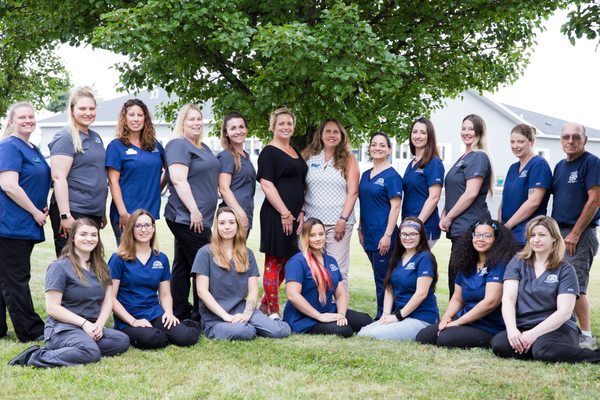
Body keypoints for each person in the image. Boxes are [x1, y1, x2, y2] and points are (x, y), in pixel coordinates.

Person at [9, 218, 130, 367]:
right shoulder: (60, 267)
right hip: (63, 328)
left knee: (121, 341)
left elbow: (108, 299)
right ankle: (34, 356)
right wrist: (84, 324)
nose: (89, 239)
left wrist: (99, 324)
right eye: (83, 234)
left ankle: (77, 348)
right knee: (91, 352)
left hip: (90, 327)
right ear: (73, 237)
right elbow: (53, 308)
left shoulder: (101, 266)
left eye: (94, 235)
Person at [490, 216, 600, 363]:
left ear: (554, 238)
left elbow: (564, 312)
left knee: (543, 350)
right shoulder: (517, 262)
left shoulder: (566, 269)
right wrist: (512, 330)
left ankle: (594, 356)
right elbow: (508, 299)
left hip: (558, 327)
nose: (536, 240)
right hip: (526, 324)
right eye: (532, 235)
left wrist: (532, 335)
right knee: (499, 345)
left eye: (542, 235)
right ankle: (540, 347)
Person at [193, 207, 291, 340]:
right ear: (216, 226)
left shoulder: (247, 253)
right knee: (245, 332)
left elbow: (253, 290)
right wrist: (226, 316)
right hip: (216, 317)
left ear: (237, 225)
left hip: (242, 309)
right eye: (222, 223)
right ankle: (245, 326)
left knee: (280, 331)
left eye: (231, 222)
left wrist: (246, 314)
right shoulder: (204, 253)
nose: (227, 227)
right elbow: (202, 292)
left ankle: (262, 321)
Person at [108, 209, 200, 349]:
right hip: (129, 318)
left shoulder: (160, 258)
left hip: (155, 313)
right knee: (154, 339)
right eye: (138, 226)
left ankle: (187, 325)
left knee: (185, 337)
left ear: (153, 228)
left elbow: (165, 294)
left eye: (147, 225)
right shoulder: (118, 259)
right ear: (131, 229)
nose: (143, 230)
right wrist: (133, 321)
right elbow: (111, 298)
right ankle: (146, 332)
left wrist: (168, 312)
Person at [416, 220, 514, 348]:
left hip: (488, 325)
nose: (480, 239)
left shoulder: (500, 265)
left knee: (445, 339)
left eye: (487, 235)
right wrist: (446, 318)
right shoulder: (467, 264)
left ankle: (488, 339)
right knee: (424, 336)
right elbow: (457, 298)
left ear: (496, 239)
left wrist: (458, 322)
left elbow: (490, 302)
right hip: (466, 319)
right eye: (477, 235)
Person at [164, 103, 220, 321]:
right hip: (187, 217)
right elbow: (177, 179)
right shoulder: (179, 144)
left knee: (182, 265)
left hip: (201, 218)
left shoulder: (203, 147)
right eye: (191, 119)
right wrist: (195, 211)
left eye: (199, 119)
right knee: (204, 264)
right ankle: (202, 314)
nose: (196, 123)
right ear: (182, 123)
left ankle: (179, 309)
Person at [0, 102, 48, 342]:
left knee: (5, 276)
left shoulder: (33, 148)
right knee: (16, 278)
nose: (28, 120)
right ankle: (30, 331)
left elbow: (37, 180)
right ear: (11, 122)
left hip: (26, 223)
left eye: (31, 116)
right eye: (22, 117)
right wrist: (35, 211)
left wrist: (43, 204)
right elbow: (9, 185)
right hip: (11, 225)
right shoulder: (9, 146)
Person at [551, 122, 600, 349]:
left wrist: (575, 233)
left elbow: (595, 200)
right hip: (558, 233)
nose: (570, 141)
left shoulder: (592, 163)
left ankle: (587, 335)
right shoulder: (560, 166)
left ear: (584, 140)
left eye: (575, 137)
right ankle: (565, 329)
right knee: (556, 284)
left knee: (576, 286)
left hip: (579, 234)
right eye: (565, 137)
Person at [256, 107, 308, 317]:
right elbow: (267, 185)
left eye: (289, 123)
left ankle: (264, 304)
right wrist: (285, 212)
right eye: (281, 124)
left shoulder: (294, 151)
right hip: (276, 214)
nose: (286, 127)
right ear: (273, 127)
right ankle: (273, 311)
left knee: (290, 261)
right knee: (274, 260)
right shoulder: (269, 152)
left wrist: (301, 211)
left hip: (295, 216)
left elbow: (301, 184)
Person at [283, 218, 372, 337]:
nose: (318, 238)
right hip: (303, 318)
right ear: (305, 237)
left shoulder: (331, 261)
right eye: (312, 235)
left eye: (321, 234)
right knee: (344, 330)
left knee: (365, 321)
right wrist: (320, 316)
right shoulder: (297, 262)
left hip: (328, 310)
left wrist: (341, 314)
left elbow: (340, 294)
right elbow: (293, 295)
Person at [48, 87, 107, 257]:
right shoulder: (66, 136)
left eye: (91, 108)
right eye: (82, 108)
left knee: (90, 263)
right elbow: (58, 178)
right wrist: (65, 215)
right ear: (72, 110)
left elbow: (96, 173)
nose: (88, 112)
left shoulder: (95, 137)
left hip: (93, 211)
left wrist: (101, 211)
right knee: (70, 263)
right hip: (72, 210)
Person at [358, 217, 439, 340]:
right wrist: (385, 315)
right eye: (404, 234)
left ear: (421, 235)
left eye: (413, 234)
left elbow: (421, 294)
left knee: (374, 335)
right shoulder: (398, 257)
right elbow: (389, 288)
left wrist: (398, 316)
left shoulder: (425, 258)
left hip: (421, 318)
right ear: (399, 236)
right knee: (363, 333)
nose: (408, 238)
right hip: (400, 315)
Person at [302, 118, 359, 287]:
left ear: (342, 136)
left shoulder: (348, 159)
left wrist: (342, 219)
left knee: (337, 269)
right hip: (312, 223)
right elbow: (302, 189)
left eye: (336, 132)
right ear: (320, 135)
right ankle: (318, 309)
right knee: (314, 268)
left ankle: (339, 311)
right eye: (328, 131)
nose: (332, 135)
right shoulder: (309, 157)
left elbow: (353, 192)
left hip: (338, 223)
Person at [440, 114, 493, 297]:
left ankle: (459, 320)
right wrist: (445, 212)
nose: (466, 132)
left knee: (460, 278)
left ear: (479, 131)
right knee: (454, 276)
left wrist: (449, 217)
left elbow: (470, 193)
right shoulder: (464, 156)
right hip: (458, 228)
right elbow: (457, 190)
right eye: (464, 128)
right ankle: (453, 319)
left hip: (470, 227)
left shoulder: (478, 157)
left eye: (471, 128)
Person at [106, 99, 166, 245]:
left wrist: (157, 190)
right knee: (128, 258)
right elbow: (113, 182)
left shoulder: (155, 146)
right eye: (131, 115)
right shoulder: (116, 146)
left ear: (145, 118)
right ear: (124, 118)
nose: (136, 119)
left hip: (149, 213)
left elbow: (170, 170)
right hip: (126, 213)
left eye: (140, 115)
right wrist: (123, 213)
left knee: (146, 256)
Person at [358, 131, 402, 318]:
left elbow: (396, 207)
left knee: (384, 278)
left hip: (384, 236)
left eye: (382, 145)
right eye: (374, 144)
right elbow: (364, 203)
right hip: (368, 233)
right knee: (379, 275)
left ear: (389, 150)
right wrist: (360, 228)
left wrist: (388, 235)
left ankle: (383, 315)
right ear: (369, 148)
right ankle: (387, 312)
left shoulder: (392, 176)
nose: (377, 148)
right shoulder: (366, 174)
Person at [499, 124, 552, 250]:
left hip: (526, 235)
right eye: (512, 142)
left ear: (531, 142)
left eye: (520, 141)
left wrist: (508, 226)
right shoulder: (513, 168)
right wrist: (501, 226)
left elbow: (534, 201)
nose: (515, 146)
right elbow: (504, 199)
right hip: (508, 235)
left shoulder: (539, 164)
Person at [401, 117, 444, 247]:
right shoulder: (412, 163)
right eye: (415, 132)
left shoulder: (434, 163)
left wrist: (417, 225)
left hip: (424, 227)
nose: (418, 136)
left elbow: (434, 197)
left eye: (423, 133)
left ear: (429, 136)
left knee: (418, 264)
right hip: (408, 225)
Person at [217, 112, 256, 235]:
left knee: (239, 254)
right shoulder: (226, 156)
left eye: (241, 127)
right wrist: (240, 214)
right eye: (233, 128)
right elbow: (223, 189)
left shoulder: (245, 156)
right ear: (226, 133)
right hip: (233, 217)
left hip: (245, 214)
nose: (238, 131)